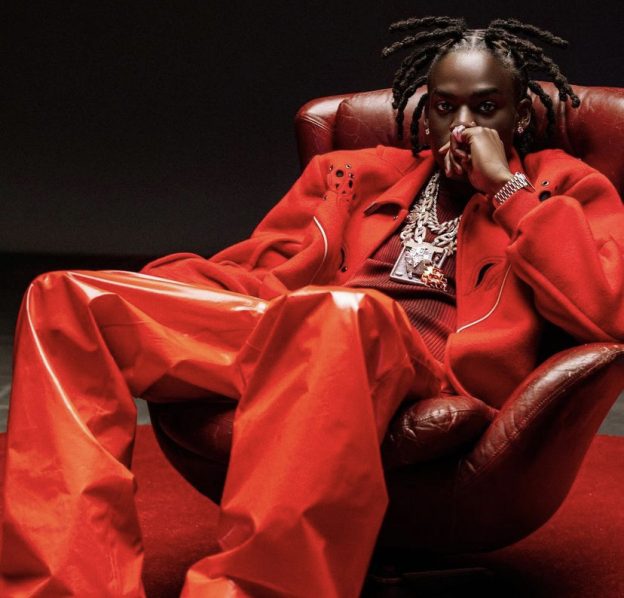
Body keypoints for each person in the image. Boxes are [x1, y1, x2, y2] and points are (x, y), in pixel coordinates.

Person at [1, 15, 623, 598]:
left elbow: (605, 309)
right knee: (66, 298)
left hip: (413, 364)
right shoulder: (350, 173)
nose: (462, 126)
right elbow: (262, 264)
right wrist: (180, 293)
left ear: (519, 115)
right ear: (425, 111)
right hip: (298, 329)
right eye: (445, 107)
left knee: (343, 313)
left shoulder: (563, 187)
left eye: (485, 108)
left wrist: (507, 190)